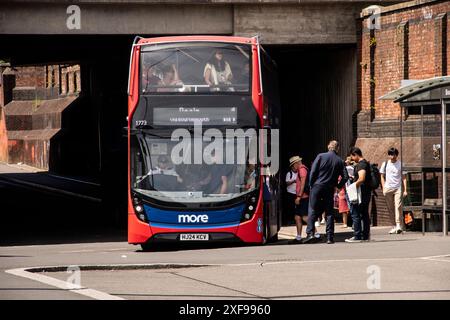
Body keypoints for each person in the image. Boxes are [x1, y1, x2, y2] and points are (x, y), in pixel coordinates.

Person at [303, 141, 348, 244]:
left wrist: (311, 184)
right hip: (329, 188)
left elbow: (313, 171)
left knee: (312, 209)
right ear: (338, 149)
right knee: (329, 212)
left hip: (317, 186)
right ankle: (329, 237)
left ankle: (310, 234)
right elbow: (345, 177)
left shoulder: (320, 156)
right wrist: (338, 186)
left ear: (328, 147)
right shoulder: (340, 161)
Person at [345, 147, 372, 243]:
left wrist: (352, 186)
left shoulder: (361, 165)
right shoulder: (365, 163)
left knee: (355, 213)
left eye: (352, 157)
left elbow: (361, 178)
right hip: (366, 192)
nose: (352, 159)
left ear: (355, 154)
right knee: (364, 214)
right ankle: (365, 235)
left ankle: (357, 235)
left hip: (361, 193)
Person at [380, 147, 408, 234]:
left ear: (396, 155)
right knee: (390, 207)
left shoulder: (400, 164)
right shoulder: (385, 164)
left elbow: (404, 177)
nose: (391, 156)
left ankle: (399, 225)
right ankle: (394, 226)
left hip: (397, 188)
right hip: (388, 188)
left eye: (393, 154)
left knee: (398, 206)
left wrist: (405, 190)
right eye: (390, 154)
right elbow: (381, 175)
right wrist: (384, 187)